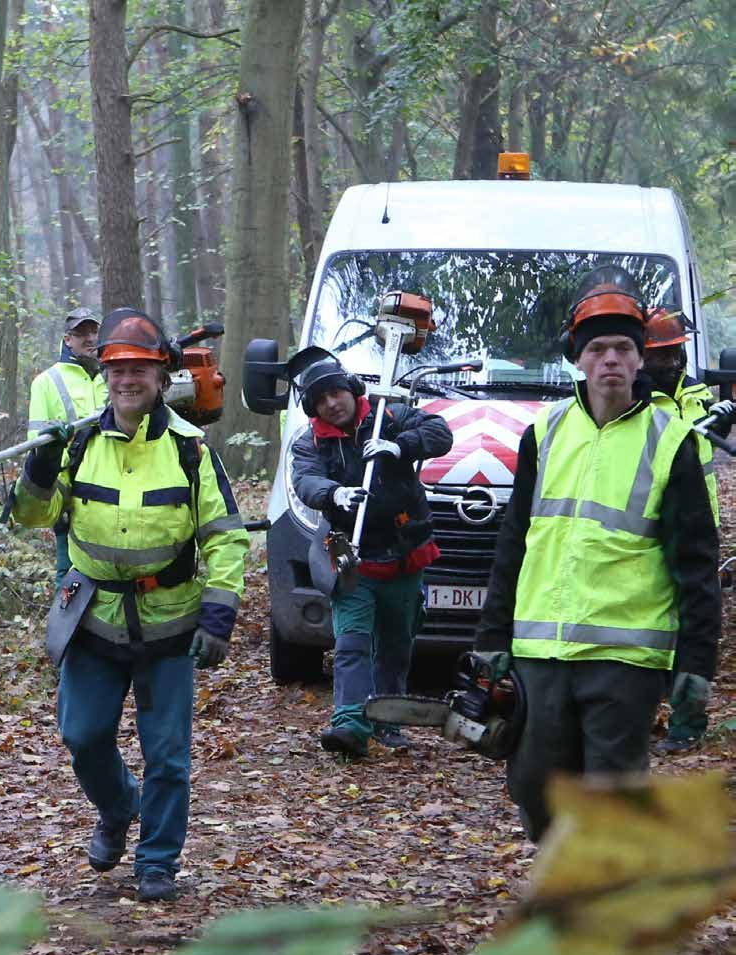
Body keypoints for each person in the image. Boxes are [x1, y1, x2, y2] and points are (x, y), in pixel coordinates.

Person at [12, 308, 249, 902]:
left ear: (161, 377)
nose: (127, 379)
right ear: (105, 377)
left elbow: (225, 536)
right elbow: (34, 517)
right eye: (118, 369)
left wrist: (219, 615)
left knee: (167, 754)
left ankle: (157, 863)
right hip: (92, 619)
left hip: (170, 623)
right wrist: (38, 472)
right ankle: (120, 808)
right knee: (83, 734)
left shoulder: (191, 451)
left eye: (140, 368)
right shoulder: (80, 443)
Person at [474, 273, 720, 841]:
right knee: (533, 784)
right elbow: (514, 541)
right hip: (542, 651)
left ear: (640, 361)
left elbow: (696, 567)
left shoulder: (674, 441)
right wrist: (491, 638)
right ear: (579, 361)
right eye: (598, 349)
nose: (611, 359)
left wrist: (695, 666)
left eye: (624, 349)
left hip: (625, 656)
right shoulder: (545, 431)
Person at [291, 353, 453, 758]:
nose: (332, 403)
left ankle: (388, 720)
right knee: (351, 642)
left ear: (350, 389)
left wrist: (399, 446)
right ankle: (349, 723)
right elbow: (306, 481)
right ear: (314, 409)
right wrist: (335, 493)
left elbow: (440, 433)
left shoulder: (391, 415)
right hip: (350, 557)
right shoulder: (308, 442)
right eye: (321, 399)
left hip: (404, 555)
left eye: (335, 392)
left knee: (396, 645)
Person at [642, 307, 732, 750]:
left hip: (701, 528)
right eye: (660, 356)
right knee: (650, 623)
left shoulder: (697, 395)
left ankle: (687, 723)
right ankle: (637, 711)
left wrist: (726, 413)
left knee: (698, 624)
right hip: (651, 528)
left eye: (674, 353)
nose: (671, 363)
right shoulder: (639, 404)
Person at [27, 307, 108, 587]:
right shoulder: (46, 382)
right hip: (70, 497)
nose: (89, 338)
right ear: (67, 340)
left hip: (116, 493)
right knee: (70, 583)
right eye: (81, 333)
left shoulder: (114, 377)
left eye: (94, 332)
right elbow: (37, 450)